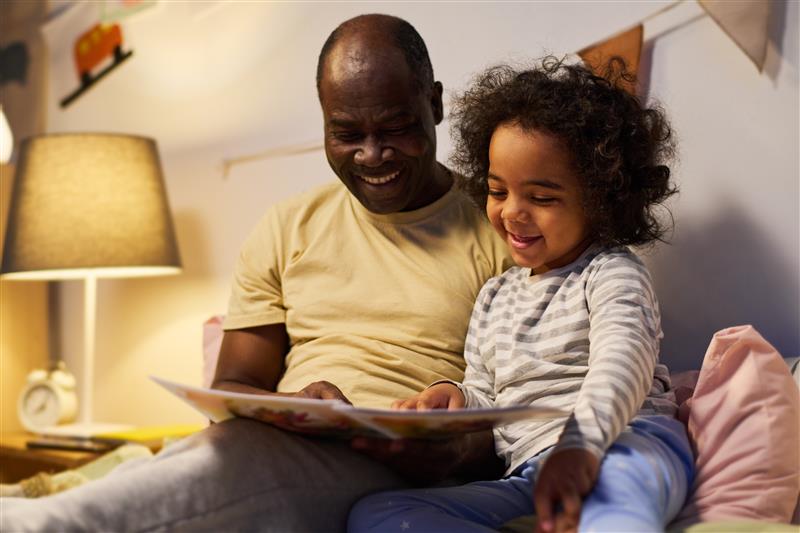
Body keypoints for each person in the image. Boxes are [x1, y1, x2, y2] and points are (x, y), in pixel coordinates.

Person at [0, 14, 511, 532]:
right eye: (347, 134)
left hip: (395, 472)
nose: (372, 155)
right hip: (277, 445)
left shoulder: (504, 231)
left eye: (396, 128)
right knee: (207, 460)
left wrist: (455, 454)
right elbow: (235, 384)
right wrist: (291, 405)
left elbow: (529, 412)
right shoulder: (289, 225)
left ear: (436, 104)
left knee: (203, 477)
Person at [348, 57, 695, 533]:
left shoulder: (611, 271)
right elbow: (489, 396)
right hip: (534, 470)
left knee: (614, 510)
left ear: (601, 199)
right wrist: (451, 397)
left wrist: (580, 446)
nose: (512, 213)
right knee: (377, 514)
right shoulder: (494, 296)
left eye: (542, 197)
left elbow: (623, 361)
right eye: (497, 191)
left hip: (626, 447)